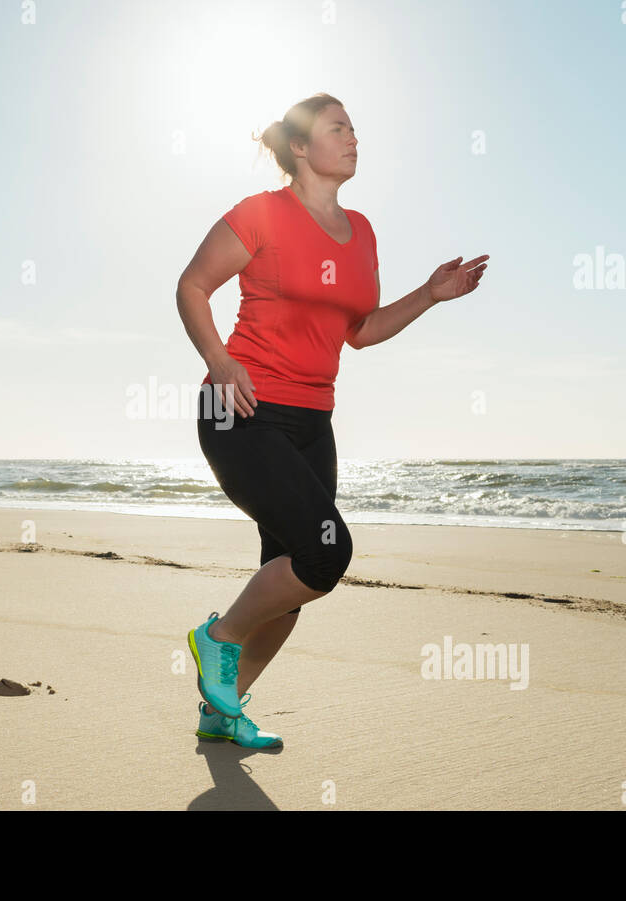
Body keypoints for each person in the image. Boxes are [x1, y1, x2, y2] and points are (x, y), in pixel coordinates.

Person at [175, 93, 488, 749]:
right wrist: (219, 360)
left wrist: (430, 294)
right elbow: (193, 286)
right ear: (298, 147)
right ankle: (217, 638)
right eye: (337, 127)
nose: (353, 136)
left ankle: (221, 709)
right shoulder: (260, 214)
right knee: (325, 553)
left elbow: (362, 331)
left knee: (287, 587)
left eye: (354, 128)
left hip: (312, 421)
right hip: (239, 407)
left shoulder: (363, 231)